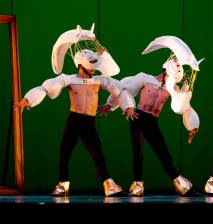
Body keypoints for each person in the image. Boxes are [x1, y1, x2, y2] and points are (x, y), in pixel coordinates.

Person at [14, 24, 134, 197]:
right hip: (74, 120)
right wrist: (27, 100)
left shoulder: (98, 80)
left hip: (89, 121)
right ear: (80, 64)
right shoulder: (68, 79)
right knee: (64, 152)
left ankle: (109, 185)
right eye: (91, 65)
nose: (94, 68)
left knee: (97, 154)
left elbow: (119, 90)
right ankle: (63, 185)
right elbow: (45, 88)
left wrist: (125, 106)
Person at [100, 35, 202, 196]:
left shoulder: (172, 89)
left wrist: (193, 126)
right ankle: (137, 185)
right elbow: (124, 87)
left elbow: (185, 106)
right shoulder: (145, 79)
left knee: (163, 153)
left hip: (152, 121)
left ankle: (182, 186)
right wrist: (109, 105)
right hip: (138, 117)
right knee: (138, 152)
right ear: (167, 68)